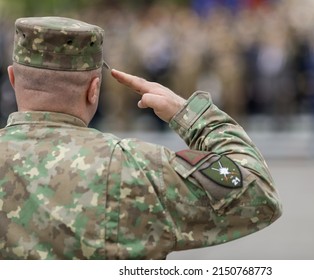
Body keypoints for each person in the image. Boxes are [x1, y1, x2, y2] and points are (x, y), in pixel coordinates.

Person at [0, 16, 282, 260]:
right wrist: (190, 115)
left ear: (13, 79)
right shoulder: (136, 168)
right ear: (94, 89)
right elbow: (257, 193)